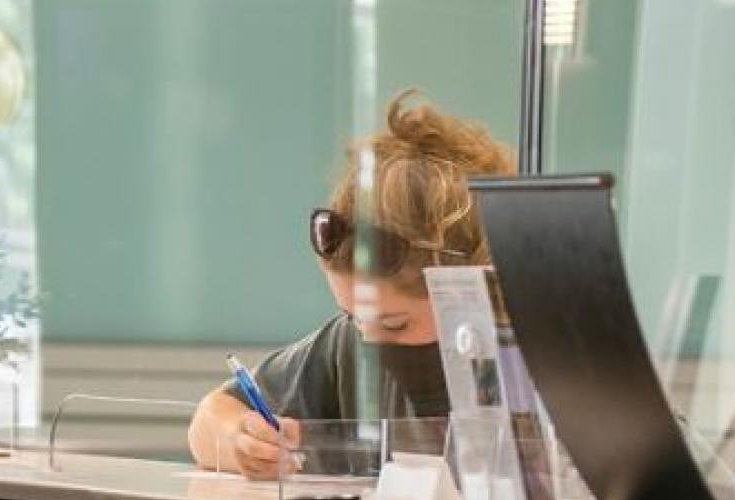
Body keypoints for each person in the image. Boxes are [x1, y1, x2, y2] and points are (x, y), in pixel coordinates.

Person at [185, 90, 516, 479]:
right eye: (355, 317)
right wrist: (241, 440)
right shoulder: (347, 344)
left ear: (471, 288)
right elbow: (210, 418)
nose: (369, 340)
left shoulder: (533, 362)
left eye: (394, 324)